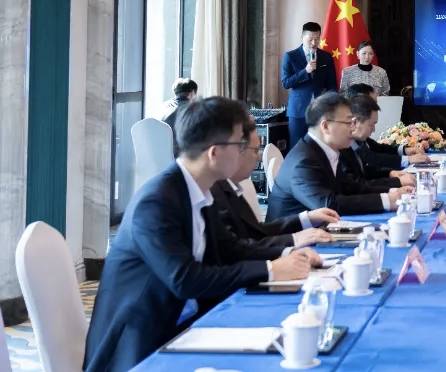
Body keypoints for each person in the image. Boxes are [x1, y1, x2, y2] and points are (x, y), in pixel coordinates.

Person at [84, 97, 316, 372]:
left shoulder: (200, 188)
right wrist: (271, 270)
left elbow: (231, 249)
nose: (245, 152)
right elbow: (185, 279)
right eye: (239, 144)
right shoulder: (156, 201)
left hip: (189, 320)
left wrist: (288, 254)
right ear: (214, 153)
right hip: (144, 343)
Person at [266, 93, 414, 221]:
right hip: (292, 240)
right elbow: (329, 204)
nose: (353, 128)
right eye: (348, 122)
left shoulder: (326, 150)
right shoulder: (304, 161)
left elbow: (351, 187)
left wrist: (394, 192)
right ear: (325, 126)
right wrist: (387, 200)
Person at [210, 116, 339, 255]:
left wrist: (306, 219)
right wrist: (292, 242)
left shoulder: (230, 186)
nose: (259, 157)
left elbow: (256, 232)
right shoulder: (214, 193)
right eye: (255, 150)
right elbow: (234, 250)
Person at [342, 84, 429, 171]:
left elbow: (378, 149)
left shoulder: (360, 138)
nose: (376, 106)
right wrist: (407, 160)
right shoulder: (343, 147)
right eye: (372, 102)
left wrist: (405, 150)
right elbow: (370, 159)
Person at [340, 96, 416, 189]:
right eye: (371, 125)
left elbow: (366, 171)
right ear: (354, 122)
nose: (374, 130)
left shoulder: (358, 142)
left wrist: (390, 173)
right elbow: (356, 186)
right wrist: (396, 181)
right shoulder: (341, 149)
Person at [281, 22, 337, 149]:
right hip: (298, 110)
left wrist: (330, 104)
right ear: (302, 37)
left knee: (320, 147)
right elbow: (285, 82)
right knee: (297, 147)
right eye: (310, 39)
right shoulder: (291, 56)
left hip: (320, 110)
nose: (313, 43)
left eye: (317, 39)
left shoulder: (326, 57)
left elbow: (332, 85)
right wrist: (305, 71)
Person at [160, 78, 198, 156]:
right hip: (182, 155)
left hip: (161, 153)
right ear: (192, 93)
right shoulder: (192, 108)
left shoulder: (162, 107)